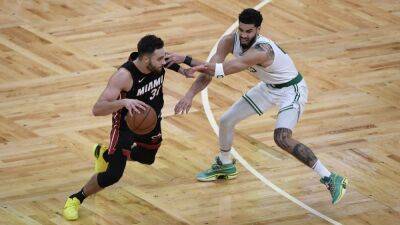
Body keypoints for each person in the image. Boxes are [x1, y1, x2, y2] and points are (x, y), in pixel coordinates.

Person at [167, 8, 347, 205]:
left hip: (291, 90)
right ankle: (225, 165)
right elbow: (210, 71)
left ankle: (330, 177)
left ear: (258, 30)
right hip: (268, 87)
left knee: (281, 138)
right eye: (241, 30)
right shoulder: (229, 40)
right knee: (226, 120)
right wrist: (189, 94)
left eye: (249, 31)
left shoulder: (262, 51)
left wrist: (185, 58)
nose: (244, 35)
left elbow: (222, 70)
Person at [63, 34, 195, 221]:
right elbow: (97, 109)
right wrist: (124, 101)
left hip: (151, 121)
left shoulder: (156, 61)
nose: (163, 61)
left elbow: (169, 61)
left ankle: (106, 154)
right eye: (160, 59)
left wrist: (183, 71)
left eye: (164, 57)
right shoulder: (123, 76)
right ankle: (75, 198)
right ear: (145, 58)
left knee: (147, 158)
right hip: (125, 126)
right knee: (113, 175)